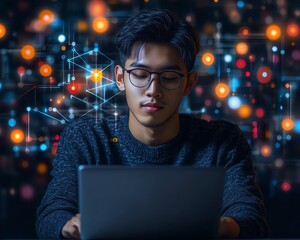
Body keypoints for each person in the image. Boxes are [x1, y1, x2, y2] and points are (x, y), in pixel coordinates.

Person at [36, 8, 268, 239]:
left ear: (189, 83)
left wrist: (220, 227)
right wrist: (66, 227)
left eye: (168, 78)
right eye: (140, 74)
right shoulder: (85, 138)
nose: (153, 91)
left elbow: (251, 217)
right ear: (120, 78)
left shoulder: (223, 142)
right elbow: (51, 215)